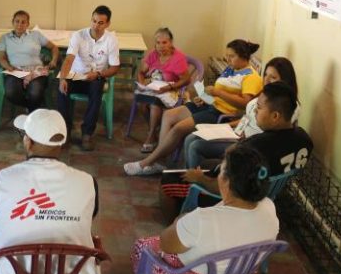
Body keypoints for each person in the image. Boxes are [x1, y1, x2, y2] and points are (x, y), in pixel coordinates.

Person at [130, 144, 279, 274]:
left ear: (227, 182)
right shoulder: (269, 207)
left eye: (220, 172)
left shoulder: (203, 220)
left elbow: (166, 244)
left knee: (143, 247)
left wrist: (179, 222)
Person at [0, 109, 101, 274]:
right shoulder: (88, 182)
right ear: (61, 145)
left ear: (28, 142)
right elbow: (88, 222)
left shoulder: (1, 179)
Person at [160, 82, 313, 222]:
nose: (254, 113)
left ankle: (174, 232)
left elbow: (221, 186)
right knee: (206, 161)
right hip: (265, 194)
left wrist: (200, 178)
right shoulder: (304, 139)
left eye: (258, 108)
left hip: (236, 198)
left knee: (167, 181)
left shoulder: (252, 147)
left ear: (275, 116)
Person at [124, 39, 262, 175]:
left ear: (244, 56)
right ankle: (159, 161)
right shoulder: (231, 69)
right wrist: (204, 97)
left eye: (231, 56)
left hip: (221, 113)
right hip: (210, 104)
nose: (228, 59)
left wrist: (218, 92)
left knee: (178, 128)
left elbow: (245, 103)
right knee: (169, 115)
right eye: (227, 55)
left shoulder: (251, 77)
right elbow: (220, 93)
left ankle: (148, 162)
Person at [183, 57, 299, 169]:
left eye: (273, 77)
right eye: (265, 75)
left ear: (285, 80)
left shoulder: (288, 106)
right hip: (237, 132)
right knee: (191, 137)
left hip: (247, 145)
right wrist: (224, 126)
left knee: (195, 146)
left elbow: (277, 136)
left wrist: (243, 139)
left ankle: (196, 183)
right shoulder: (265, 94)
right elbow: (248, 118)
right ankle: (190, 179)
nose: (266, 80)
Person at [57, 5, 120, 151]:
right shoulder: (78, 35)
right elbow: (68, 60)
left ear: (108, 24)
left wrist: (98, 74)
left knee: (97, 89)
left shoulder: (111, 40)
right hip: (76, 75)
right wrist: (63, 79)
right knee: (61, 88)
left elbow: (115, 67)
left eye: (100, 23)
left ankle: (87, 133)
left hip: (96, 77)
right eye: (94, 21)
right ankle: (65, 130)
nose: (96, 25)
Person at [135, 27, 190, 153]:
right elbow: (141, 72)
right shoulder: (153, 54)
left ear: (171, 43)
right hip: (154, 87)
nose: (161, 46)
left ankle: (151, 135)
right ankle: (155, 130)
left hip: (172, 89)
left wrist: (169, 87)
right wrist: (143, 84)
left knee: (154, 104)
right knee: (142, 103)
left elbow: (186, 80)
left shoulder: (178, 58)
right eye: (158, 43)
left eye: (164, 42)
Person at [0, 10, 60, 112]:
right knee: (11, 93)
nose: (20, 25)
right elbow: (1, 58)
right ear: (12, 22)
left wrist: (53, 61)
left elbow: (54, 47)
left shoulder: (36, 35)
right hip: (15, 71)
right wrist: (8, 67)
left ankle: (30, 117)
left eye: (23, 22)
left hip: (36, 71)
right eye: (17, 21)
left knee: (35, 93)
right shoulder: (4, 38)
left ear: (28, 24)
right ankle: (32, 107)